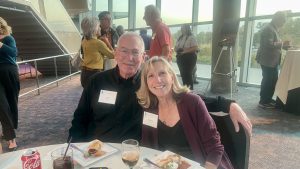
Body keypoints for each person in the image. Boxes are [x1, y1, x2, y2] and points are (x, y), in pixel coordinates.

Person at [68, 32, 252, 143]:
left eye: (135, 53)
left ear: (143, 57)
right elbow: (80, 118)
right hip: (97, 152)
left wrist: (228, 104)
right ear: (115, 53)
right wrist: (75, 147)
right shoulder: (97, 81)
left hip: (134, 153)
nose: (129, 58)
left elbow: (185, 96)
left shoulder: (151, 84)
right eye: (124, 51)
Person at [137, 56, 233, 169]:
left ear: (172, 77)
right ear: (147, 83)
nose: (157, 80)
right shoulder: (150, 109)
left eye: (162, 73)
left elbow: (215, 147)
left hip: (201, 164)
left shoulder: (192, 103)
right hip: (166, 165)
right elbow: (148, 146)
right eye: (151, 76)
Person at [256, 11, 290, 109]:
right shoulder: (269, 29)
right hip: (267, 61)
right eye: (283, 21)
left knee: (272, 80)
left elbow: (274, 44)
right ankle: (263, 101)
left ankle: (268, 99)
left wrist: (284, 45)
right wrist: (282, 43)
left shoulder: (273, 29)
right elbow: (268, 44)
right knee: (267, 80)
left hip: (272, 61)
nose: (283, 23)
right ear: (277, 19)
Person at [0, 17, 19, 151]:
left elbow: (14, 53)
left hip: (9, 72)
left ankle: (8, 129)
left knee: (11, 103)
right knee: (2, 105)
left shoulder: (8, 38)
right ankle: (10, 137)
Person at [80, 16, 114, 88]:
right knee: (96, 97)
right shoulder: (98, 43)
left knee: (88, 96)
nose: (100, 28)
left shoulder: (84, 41)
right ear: (94, 29)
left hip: (84, 74)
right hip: (95, 74)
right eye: (99, 26)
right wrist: (107, 42)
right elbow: (112, 55)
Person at [175, 24, 199, 90]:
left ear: (187, 29)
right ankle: (185, 90)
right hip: (180, 57)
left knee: (188, 74)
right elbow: (176, 47)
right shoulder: (180, 38)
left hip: (189, 58)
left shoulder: (191, 37)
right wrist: (176, 49)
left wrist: (185, 51)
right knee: (183, 74)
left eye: (183, 28)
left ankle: (190, 91)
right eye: (181, 28)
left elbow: (195, 48)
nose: (181, 29)